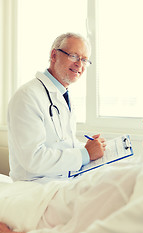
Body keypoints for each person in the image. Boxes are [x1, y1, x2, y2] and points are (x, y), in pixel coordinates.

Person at [1, 94, 143, 233]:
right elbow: (39, 156)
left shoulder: (122, 181)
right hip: (42, 192)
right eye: (75, 59)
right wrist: (86, 152)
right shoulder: (140, 169)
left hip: (37, 207)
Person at [7, 32, 106, 182]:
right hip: (35, 189)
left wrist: (88, 147)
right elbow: (33, 158)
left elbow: (60, 143)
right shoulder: (27, 96)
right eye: (73, 56)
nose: (79, 64)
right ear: (54, 55)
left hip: (61, 183)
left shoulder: (62, 95)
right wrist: (85, 154)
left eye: (84, 60)